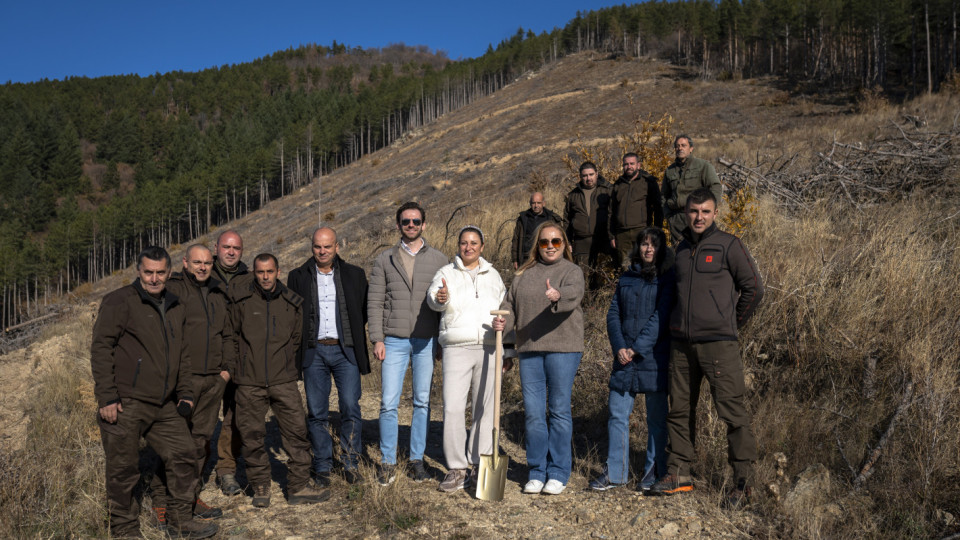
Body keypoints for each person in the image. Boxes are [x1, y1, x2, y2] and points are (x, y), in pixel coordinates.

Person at [648, 188, 764, 509]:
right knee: (680, 410)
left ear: (715, 213)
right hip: (682, 347)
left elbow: (754, 289)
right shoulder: (681, 250)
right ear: (686, 213)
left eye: (706, 211)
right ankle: (679, 472)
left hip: (719, 347)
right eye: (694, 211)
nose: (699, 217)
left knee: (732, 412)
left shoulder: (729, 245)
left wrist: (729, 325)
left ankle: (743, 483)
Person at [90, 246, 217, 539]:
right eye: (148, 272)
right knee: (123, 470)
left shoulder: (175, 305)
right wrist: (107, 397)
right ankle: (125, 530)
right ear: (139, 271)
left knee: (185, 455)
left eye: (160, 272)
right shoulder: (118, 302)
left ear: (169, 272)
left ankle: (179, 521)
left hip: (165, 404)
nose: (154, 278)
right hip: (126, 403)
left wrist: (185, 392)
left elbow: (183, 353)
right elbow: (100, 350)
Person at [225, 254, 330, 507]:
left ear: (278, 271)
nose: (265, 277)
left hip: (283, 380)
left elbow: (296, 339)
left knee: (296, 433)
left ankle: (298, 486)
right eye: (260, 272)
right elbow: (230, 336)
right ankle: (260, 486)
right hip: (249, 381)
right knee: (251, 435)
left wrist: (284, 365)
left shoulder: (292, 303)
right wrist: (236, 368)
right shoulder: (241, 301)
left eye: (269, 271)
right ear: (254, 272)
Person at [493, 222, 584, 495]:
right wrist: (503, 324)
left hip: (564, 348)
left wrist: (558, 296)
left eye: (556, 241)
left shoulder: (572, 271)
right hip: (529, 349)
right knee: (533, 413)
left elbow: (573, 294)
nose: (550, 247)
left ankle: (557, 472)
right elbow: (509, 306)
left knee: (558, 410)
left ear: (564, 243)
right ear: (537, 245)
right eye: (545, 242)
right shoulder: (523, 273)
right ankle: (536, 470)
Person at [368, 202, 449, 485]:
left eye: (416, 221)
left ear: (424, 224)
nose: (411, 226)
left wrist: (441, 340)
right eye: (406, 222)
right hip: (394, 340)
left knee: (422, 402)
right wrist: (377, 338)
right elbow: (375, 301)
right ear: (398, 225)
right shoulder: (384, 259)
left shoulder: (440, 260)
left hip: (426, 340)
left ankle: (416, 460)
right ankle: (388, 462)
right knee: (389, 403)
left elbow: (445, 304)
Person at [150, 245, 230, 527]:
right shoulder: (172, 291)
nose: (202, 267)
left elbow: (228, 333)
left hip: (213, 380)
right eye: (197, 262)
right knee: (174, 446)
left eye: (207, 262)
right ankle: (162, 503)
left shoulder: (219, 291)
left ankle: (189, 500)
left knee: (199, 444)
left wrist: (226, 371)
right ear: (184, 263)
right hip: (182, 380)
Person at [426, 226, 511, 492]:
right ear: (458, 245)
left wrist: (507, 349)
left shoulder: (494, 276)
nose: (469, 247)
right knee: (452, 407)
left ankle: (479, 465)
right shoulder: (446, 272)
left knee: (485, 410)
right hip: (457, 347)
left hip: (489, 347)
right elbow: (434, 299)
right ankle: (456, 468)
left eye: (474, 242)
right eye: (464, 243)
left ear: (482, 246)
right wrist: (440, 298)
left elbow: (506, 313)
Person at [589, 228, 675, 493]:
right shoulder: (626, 277)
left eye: (653, 245)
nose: (648, 249)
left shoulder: (667, 278)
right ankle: (616, 473)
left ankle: (653, 471)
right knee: (617, 415)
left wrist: (637, 348)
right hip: (624, 359)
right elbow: (613, 312)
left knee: (656, 420)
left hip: (653, 358)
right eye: (644, 244)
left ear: (661, 250)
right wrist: (620, 347)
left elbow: (661, 318)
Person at [287, 227, 369, 486]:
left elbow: (362, 312)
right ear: (311, 247)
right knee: (317, 411)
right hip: (314, 352)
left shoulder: (355, 275)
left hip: (346, 350)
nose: (322, 251)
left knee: (350, 407)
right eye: (317, 246)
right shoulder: (297, 276)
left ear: (337, 247)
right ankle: (322, 465)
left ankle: (350, 461)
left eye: (327, 246)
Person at [210, 230, 250, 497]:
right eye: (226, 247)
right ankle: (189, 470)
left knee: (234, 415)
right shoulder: (200, 274)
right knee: (199, 418)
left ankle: (226, 470)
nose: (231, 252)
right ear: (217, 248)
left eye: (236, 248)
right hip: (207, 358)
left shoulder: (250, 278)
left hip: (238, 357)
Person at [661, 135, 722, 244]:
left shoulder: (703, 166)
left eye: (683, 145)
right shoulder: (669, 171)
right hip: (677, 219)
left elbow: (715, 186)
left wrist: (710, 210)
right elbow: (664, 195)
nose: (680, 148)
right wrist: (668, 215)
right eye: (677, 146)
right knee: (679, 253)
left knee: (700, 249)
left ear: (691, 148)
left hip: (697, 217)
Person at [609, 153, 663, 266]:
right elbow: (611, 212)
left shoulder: (648, 182)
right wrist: (612, 235)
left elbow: (658, 208)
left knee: (646, 264)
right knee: (626, 267)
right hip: (622, 234)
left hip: (642, 230)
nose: (629, 166)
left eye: (632, 164)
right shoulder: (617, 185)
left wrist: (657, 231)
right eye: (626, 164)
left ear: (638, 165)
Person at [564, 161, 612, 287]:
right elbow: (567, 221)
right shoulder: (573, 195)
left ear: (597, 174)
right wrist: (567, 241)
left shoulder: (607, 191)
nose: (588, 178)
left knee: (606, 272)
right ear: (580, 176)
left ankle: (606, 301)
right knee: (583, 275)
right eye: (585, 175)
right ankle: (587, 303)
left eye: (591, 174)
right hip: (581, 242)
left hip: (604, 239)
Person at [511, 192, 563, 269]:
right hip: (527, 258)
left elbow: (561, 238)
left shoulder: (552, 219)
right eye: (533, 203)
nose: (536, 206)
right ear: (530, 203)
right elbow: (516, 240)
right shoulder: (523, 219)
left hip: (546, 256)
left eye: (538, 203)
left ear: (543, 203)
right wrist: (515, 259)